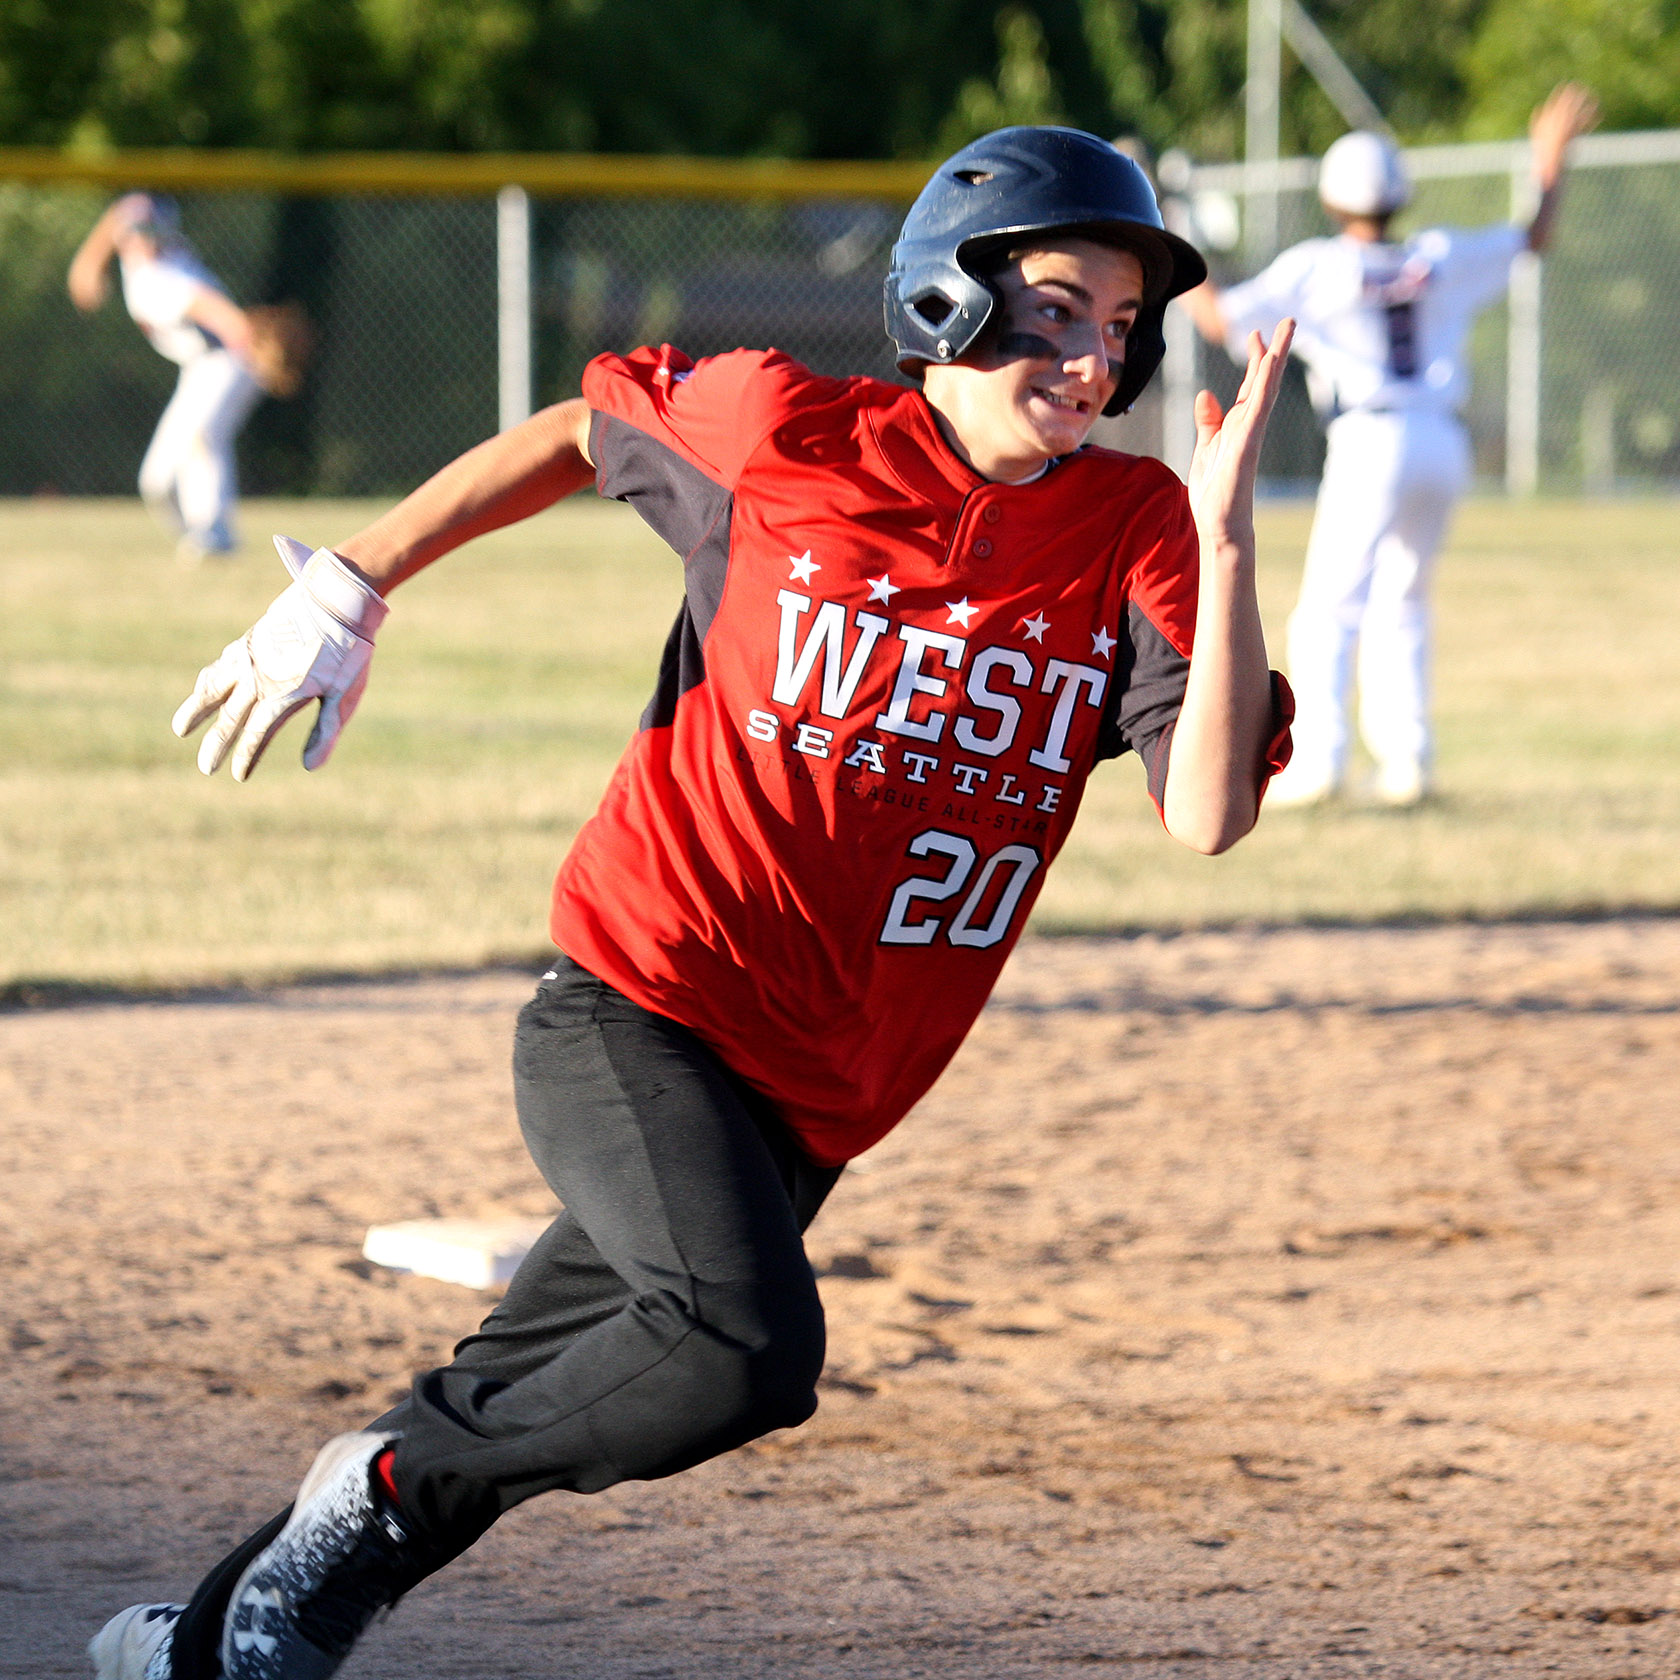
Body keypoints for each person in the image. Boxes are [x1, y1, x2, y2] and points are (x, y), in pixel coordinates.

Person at [89, 126, 1296, 1680]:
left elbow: (1207, 815)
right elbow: (576, 431)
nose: (1091, 356)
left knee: (540, 1377)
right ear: (949, 299)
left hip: (818, 1100)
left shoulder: (1135, 531)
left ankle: (199, 1648)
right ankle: (381, 1488)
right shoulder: (784, 427)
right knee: (740, 1355)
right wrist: (355, 579)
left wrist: (1227, 529)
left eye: (1120, 328)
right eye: (1058, 306)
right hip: (641, 1007)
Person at [1178, 84, 1598, 807]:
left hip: (1370, 438)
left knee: (1329, 607)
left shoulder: (1319, 265)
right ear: (1399, 194)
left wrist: (1171, 232)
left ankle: (1320, 764)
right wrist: (1549, 163)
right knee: (1403, 601)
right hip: (1439, 439)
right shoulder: (1438, 255)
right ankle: (1408, 764)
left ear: (1333, 197)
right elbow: (1534, 236)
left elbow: (1218, 318)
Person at [68, 193, 271, 565]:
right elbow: (113, 228)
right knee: (156, 482)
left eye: (148, 233)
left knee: (204, 436)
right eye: (133, 233)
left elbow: (205, 305)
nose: (141, 239)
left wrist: (244, 330)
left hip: (231, 360)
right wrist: (93, 262)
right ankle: (200, 538)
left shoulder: (162, 274)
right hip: (199, 368)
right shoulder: (139, 262)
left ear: (164, 234)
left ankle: (215, 534)